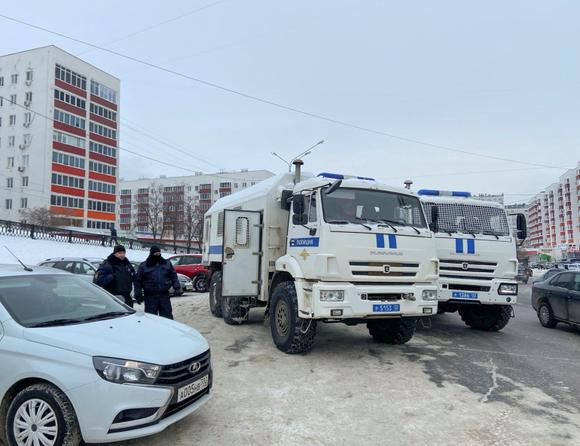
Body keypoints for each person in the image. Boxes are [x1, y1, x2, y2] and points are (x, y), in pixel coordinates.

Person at [135, 246, 181, 319]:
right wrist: (138, 294)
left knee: (167, 317)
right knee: (151, 318)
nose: (157, 255)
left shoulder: (166, 263)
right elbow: (138, 281)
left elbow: (173, 276)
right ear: (151, 254)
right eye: (155, 254)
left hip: (164, 295)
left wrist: (177, 286)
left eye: (159, 253)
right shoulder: (144, 266)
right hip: (150, 296)